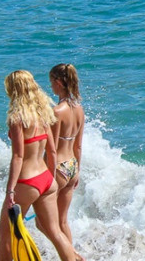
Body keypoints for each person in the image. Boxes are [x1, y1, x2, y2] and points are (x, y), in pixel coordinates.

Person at [0, 71, 81, 261]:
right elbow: (51, 152)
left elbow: (18, 156)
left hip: (27, 181)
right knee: (56, 233)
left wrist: (10, 190)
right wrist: (50, 181)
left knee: (5, 233)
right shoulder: (43, 114)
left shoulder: (17, 119)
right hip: (46, 179)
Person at [49, 64, 85, 252]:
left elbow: (52, 149)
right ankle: (71, 254)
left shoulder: (57, 111)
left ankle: (72, 255)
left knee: (45, 223)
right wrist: (77, 170)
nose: (50, 88)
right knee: (63, 221)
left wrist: (47, 174)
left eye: (51, 83)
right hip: (72, 166)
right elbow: (78, 145)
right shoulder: (79, 109)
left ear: (58, 82)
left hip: (58, 168)